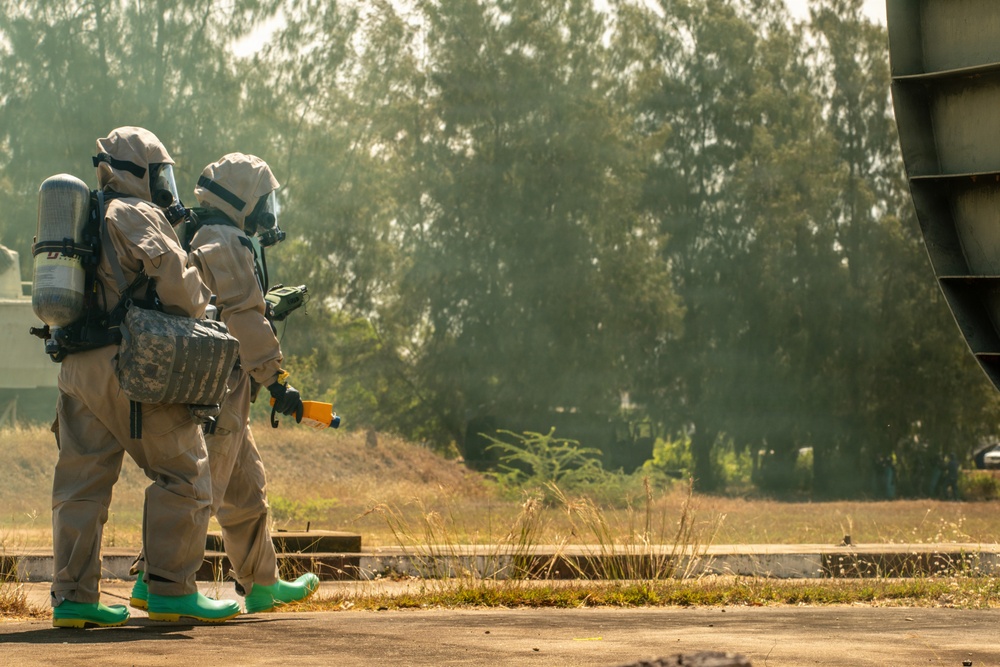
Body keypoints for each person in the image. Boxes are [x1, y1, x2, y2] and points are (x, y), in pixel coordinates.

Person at [51, 127, 241, 628]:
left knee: (81, 484)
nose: (164, 186)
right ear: (137, 172)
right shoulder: (134, 212)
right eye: (160, 174)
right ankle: (171, 590)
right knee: (185, 473)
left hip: (75, 367)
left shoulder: (81, 216)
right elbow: (184, 294)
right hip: (128, 364)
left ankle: (73, 600)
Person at [129, 152, 319, 614]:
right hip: (216, 388)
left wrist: (264, 314)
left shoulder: (205, 234)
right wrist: (277, 382)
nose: (267, 211)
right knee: (199, 488)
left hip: (222, 385)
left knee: (245, 486)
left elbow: (224, 307)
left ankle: (262, 583)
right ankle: (155, 582)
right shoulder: (225, 239)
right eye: (263, 199)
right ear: (244, 199)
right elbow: (242, 317)